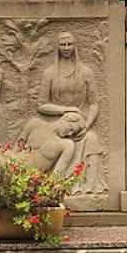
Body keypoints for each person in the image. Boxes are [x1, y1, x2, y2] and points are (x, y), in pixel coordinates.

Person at [36, 32, 106, 193]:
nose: (66, 48)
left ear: (75, 46)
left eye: (70, 44)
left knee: (92, 139)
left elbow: (94, 103)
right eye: (63, 45)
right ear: (57, 47)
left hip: (80, 124)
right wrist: (66, 109)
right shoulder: (50, 73)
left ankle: (89, 188)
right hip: (57, 124)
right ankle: (54, 186)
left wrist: (86, 126)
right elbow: (41, 105)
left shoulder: (86, 72)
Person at [19, 111, 85, 174]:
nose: (70, 134)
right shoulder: (34, 124)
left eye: (73, 133)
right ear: (64, 119)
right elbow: (14, 150)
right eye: (71, 128)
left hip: (28, 180)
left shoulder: (66, 145)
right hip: (13, 168)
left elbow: (56, 176)